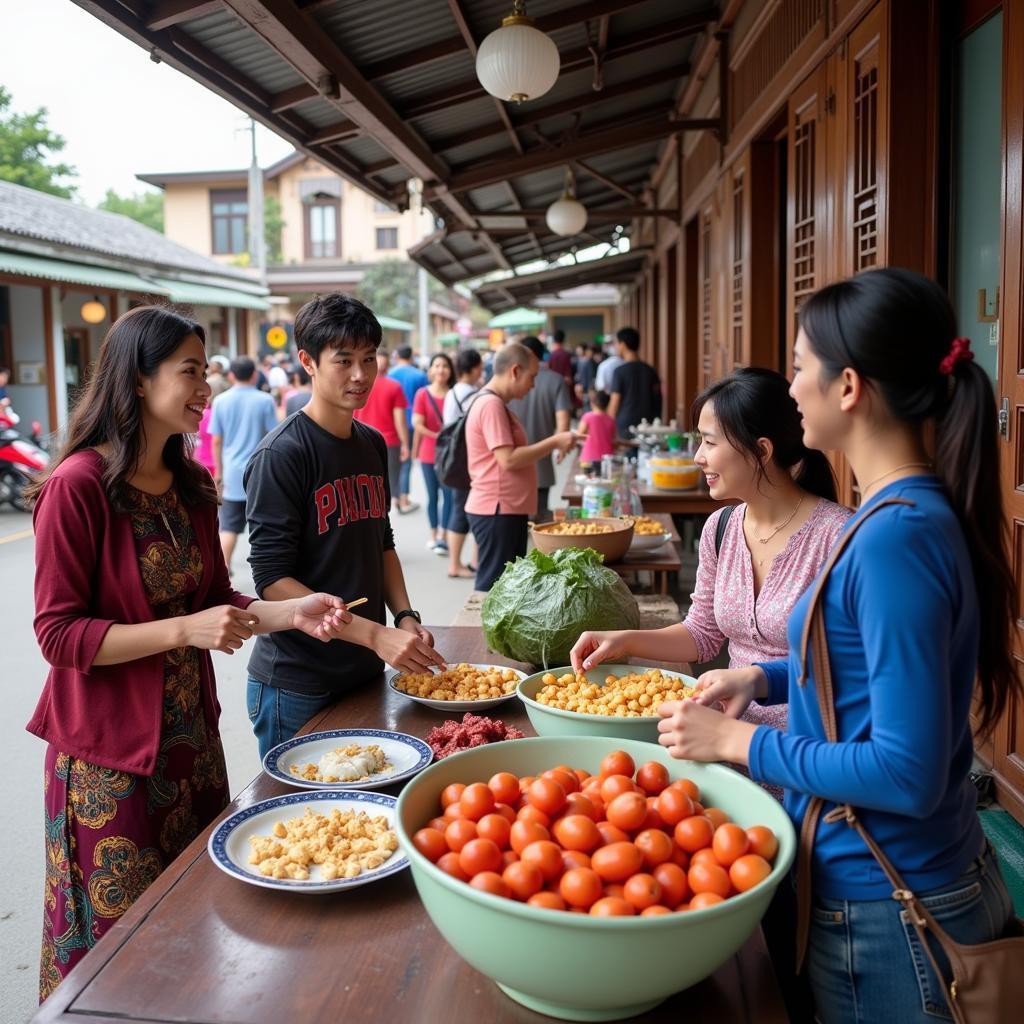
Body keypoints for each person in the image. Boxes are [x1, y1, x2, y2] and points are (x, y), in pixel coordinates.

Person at [656, 268, 1019, 1022]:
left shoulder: (892, 538)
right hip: (892, 883)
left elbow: (907, 771)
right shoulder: (902, 517)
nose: (790, 388)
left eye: (798, 366)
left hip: (892, 904)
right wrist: (764, 683)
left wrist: (736, 744)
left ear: (848, 386)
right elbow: (862, 669)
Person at [28, 305, 353, 1000]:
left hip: (191, 745)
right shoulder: (78, 488)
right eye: (190, 372)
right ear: (138, 381)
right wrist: (182, 632)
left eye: (205, 371)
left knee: (191, 932)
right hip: (110, 761)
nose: (205, 387)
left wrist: (291, 611)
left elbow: (218, 602)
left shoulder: (193, 486)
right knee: (117, 960)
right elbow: (57, 634)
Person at [572, 365, 850, 737]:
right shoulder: (721, 527)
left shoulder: (839, 537)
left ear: (761, 451)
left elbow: (848, 667)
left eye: (709, 442)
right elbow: (702, 634)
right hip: (719, 741)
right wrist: (623, 639)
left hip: (807, 756)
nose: (697, 457)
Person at [244, 293, 445, 757]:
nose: (360, 375)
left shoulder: (372, 444)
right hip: (297, 681)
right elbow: (272, 580)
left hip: (364, 670)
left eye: (369, 359)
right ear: (307, 362)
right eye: (344, 360)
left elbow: (382, 542)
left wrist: (405, 617)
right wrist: (375, 634)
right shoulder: (282, 456)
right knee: (305, 821)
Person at [464, 342, 577, 591]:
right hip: (497, 508)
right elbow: (509, 459)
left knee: (507, 587)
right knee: (493, 588)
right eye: (532, 377)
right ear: (515, 371)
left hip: (505, 508)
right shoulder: (491, 405)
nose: (534, 384)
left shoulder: (496, 404)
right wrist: (555, 441)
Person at [208, 356, 278, 574]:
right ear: (255, 375)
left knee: (229, 524)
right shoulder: (265, 400)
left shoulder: (220, 401)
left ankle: (224, 568)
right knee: (267, 523)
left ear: (231, 376)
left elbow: (216, 440)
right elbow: (273, 436)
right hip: (261, 471)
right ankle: (273, 570)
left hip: (231, 472)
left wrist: (219, 470)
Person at [508, 335, 573, 521]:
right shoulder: (556, 380)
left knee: (516, 522)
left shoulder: (510, 381)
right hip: (541, 464)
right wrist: (561, 446)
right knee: (540, 520)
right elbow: (563, 419)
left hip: (512, 463)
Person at [352, 352, 412, 514]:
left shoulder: (358, 385)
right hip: (390, 441)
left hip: (361, 439)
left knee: (366, 478)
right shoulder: (394, 386)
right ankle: (392, 502)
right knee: (391, 475)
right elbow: (400, 420)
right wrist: (405, 444)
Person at [443, 348, 483, 579]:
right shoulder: (474, 396)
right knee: (465, 509)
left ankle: (463, 562)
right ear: (476, 367)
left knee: (461, 507)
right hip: (468, 459)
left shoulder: (453, 392)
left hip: (456, 458)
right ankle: (457, 565)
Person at [412, 353, 455, 554]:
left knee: (448, 495)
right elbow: (417, 424)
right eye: (437, 365)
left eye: (445, 365)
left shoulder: (454, 394)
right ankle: (433, 534)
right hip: (428, 454)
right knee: (432, 496)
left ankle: (444, 537)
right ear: (431, 370)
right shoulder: (422, 393)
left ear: (450, 370)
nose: (441, 369)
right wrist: (436, 436)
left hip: (449, 455)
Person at [388, 345, 428, 513]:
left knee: (394, 462)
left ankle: (395, 495)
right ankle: (403, 497)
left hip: (393, 422)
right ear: (411, 357)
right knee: (406, 461)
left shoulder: (390, 374)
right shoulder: (419, 375)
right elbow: (427, 398)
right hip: (412, 422)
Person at [607, 326, 662, 436]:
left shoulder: (619, 372)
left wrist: (608, 427)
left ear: (623, 344)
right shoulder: (650, 371)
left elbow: (614, 404)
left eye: (616, 343)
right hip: (648, 426)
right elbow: (658, 400)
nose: (615, 347)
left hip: (625, 426)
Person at [576, 389, 618, 465]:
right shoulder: (611, 420)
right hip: (607, 458)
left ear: (592, 403)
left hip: (588, 458)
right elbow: (614, 440)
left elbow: (579, 435)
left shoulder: (587, 417)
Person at [546, 329, 575, 397]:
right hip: (564, 387)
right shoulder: (566, 355)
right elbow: (568, 375)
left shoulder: (551, 355)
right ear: (563, 339)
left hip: (552, 386)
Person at [574, 344, 597, 411]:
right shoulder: (580, 361)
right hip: (582, 387)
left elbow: (590, 376)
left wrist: (588, 388)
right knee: (585, 405)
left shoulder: (588, 361)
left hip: (587, 388)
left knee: (587, 405)